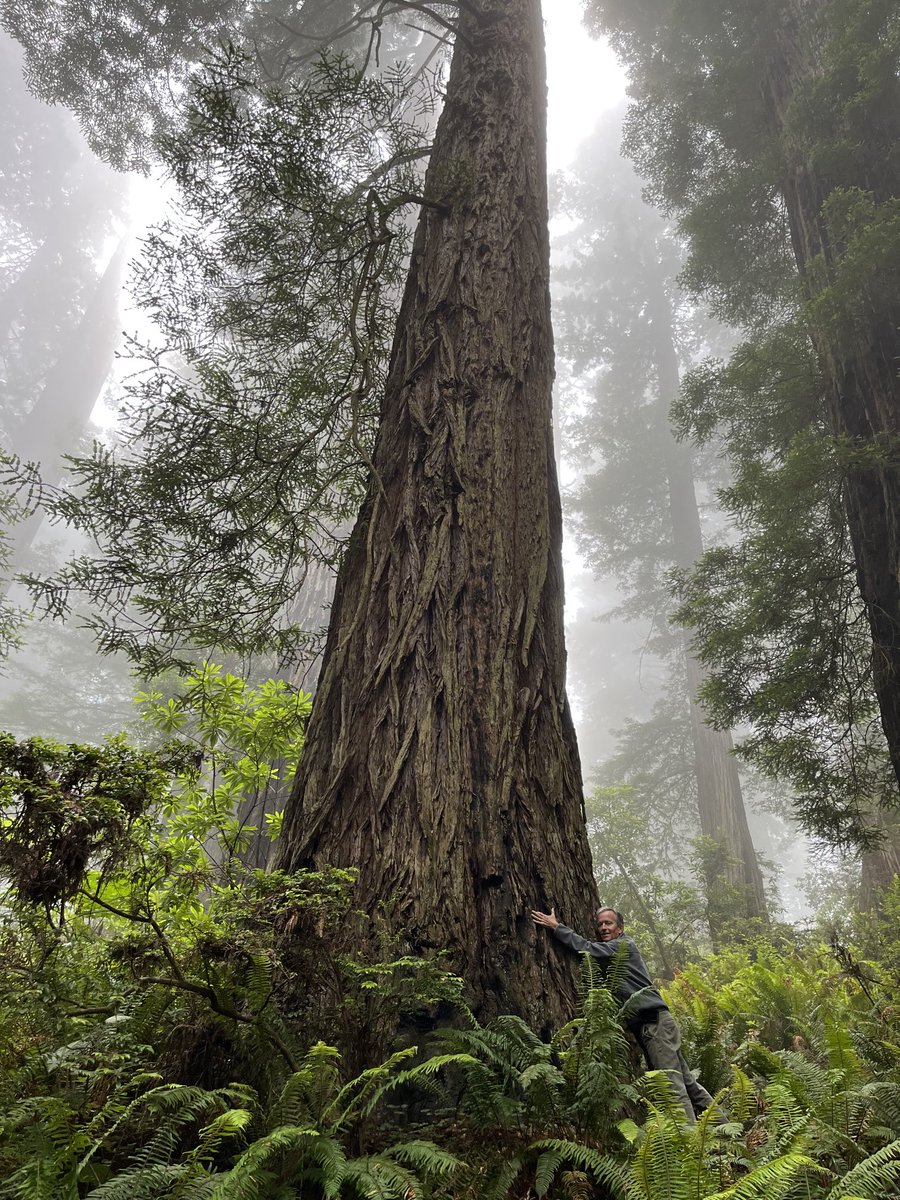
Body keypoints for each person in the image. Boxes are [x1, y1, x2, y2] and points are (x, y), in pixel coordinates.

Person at [531, 904, 714, 1123]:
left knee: (672, 1086)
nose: (603, 928)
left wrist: (557, 927)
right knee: (687, 1083)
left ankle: (690, 1144)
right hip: (659, 1023)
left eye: (609, 923)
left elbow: (587, 949)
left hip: (654, 1023)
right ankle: (725, 1128)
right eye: (600, 924)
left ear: (620, 927)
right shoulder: (616, 950)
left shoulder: (622, 945)